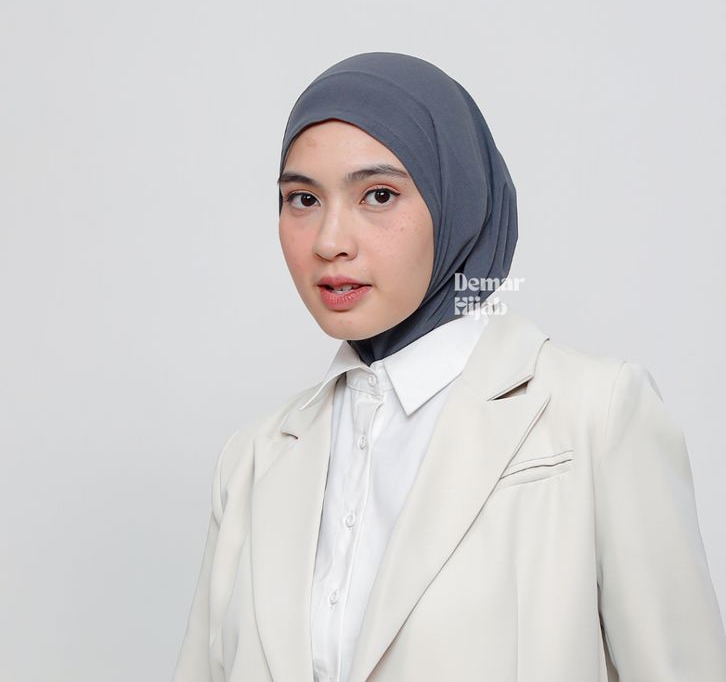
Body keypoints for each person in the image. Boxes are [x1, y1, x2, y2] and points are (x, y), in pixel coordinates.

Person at [172, 52, 726, 682]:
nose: (329, 241)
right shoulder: (252, 461)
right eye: (302, 199)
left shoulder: (595, 417)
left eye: (379, 195)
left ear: (456, 200)